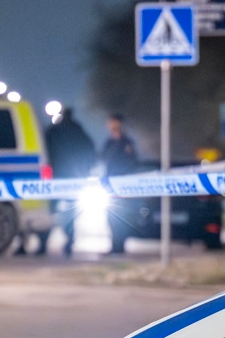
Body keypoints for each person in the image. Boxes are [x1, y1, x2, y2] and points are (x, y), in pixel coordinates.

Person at [34, 107, 97, 256]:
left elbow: (44, 151)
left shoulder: (54, 131)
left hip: (55, 178)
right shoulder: (80, 133)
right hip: (74, 179)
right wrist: (85, 171)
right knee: (71, 212)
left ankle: (43, 243)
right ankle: (69, 241)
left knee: (50, 210)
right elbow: (91, 153)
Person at [98, 113, 147, 253]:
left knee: (122, 216)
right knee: (111, 217)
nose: (111, 127)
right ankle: (114, 246)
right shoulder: (109, 142)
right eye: (110, 124)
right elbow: (102, 157)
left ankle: (120, 246)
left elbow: (133, 161)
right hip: (110, 186)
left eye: (114, 124)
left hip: (124, 186)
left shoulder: (127, 142)